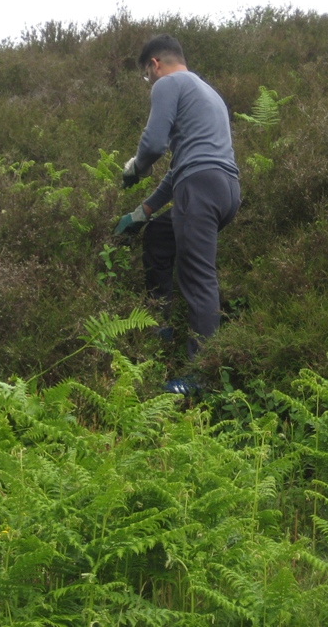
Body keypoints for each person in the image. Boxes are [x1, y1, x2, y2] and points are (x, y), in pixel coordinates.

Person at [114, 34, 241, 394]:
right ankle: (160, 324)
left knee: (198, 278)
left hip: (199, 189)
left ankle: (201, 377)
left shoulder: (168, 84)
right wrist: (143, 211)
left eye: (146, 75)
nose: (149, 82)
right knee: (159, 235)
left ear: (155, 64)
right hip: (225, 189)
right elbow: (181, 167)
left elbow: (154, 144)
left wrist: (136, 168)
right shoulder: (208, 93)